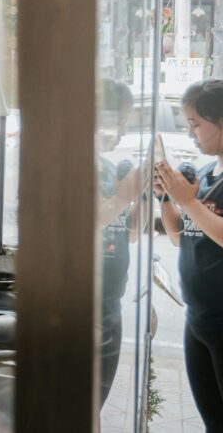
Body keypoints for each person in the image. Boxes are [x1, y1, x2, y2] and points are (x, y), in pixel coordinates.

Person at [156, 79, 223, 432]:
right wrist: (168, 197)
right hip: (198, 318)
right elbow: (181, 238)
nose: (191, 133)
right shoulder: (208, 174)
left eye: (196, 124)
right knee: (213, 420)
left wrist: (188, 201)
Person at [96, 79, 142, 408]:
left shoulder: (109, 168)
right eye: (120, 120)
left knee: (92, 408)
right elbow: (75, 229)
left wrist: (139, 200)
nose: (123, 130)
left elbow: (130, 234)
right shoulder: (68, 165)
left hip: (110, 303)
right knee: (80, 409)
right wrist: (123, 196)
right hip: (82, 307)